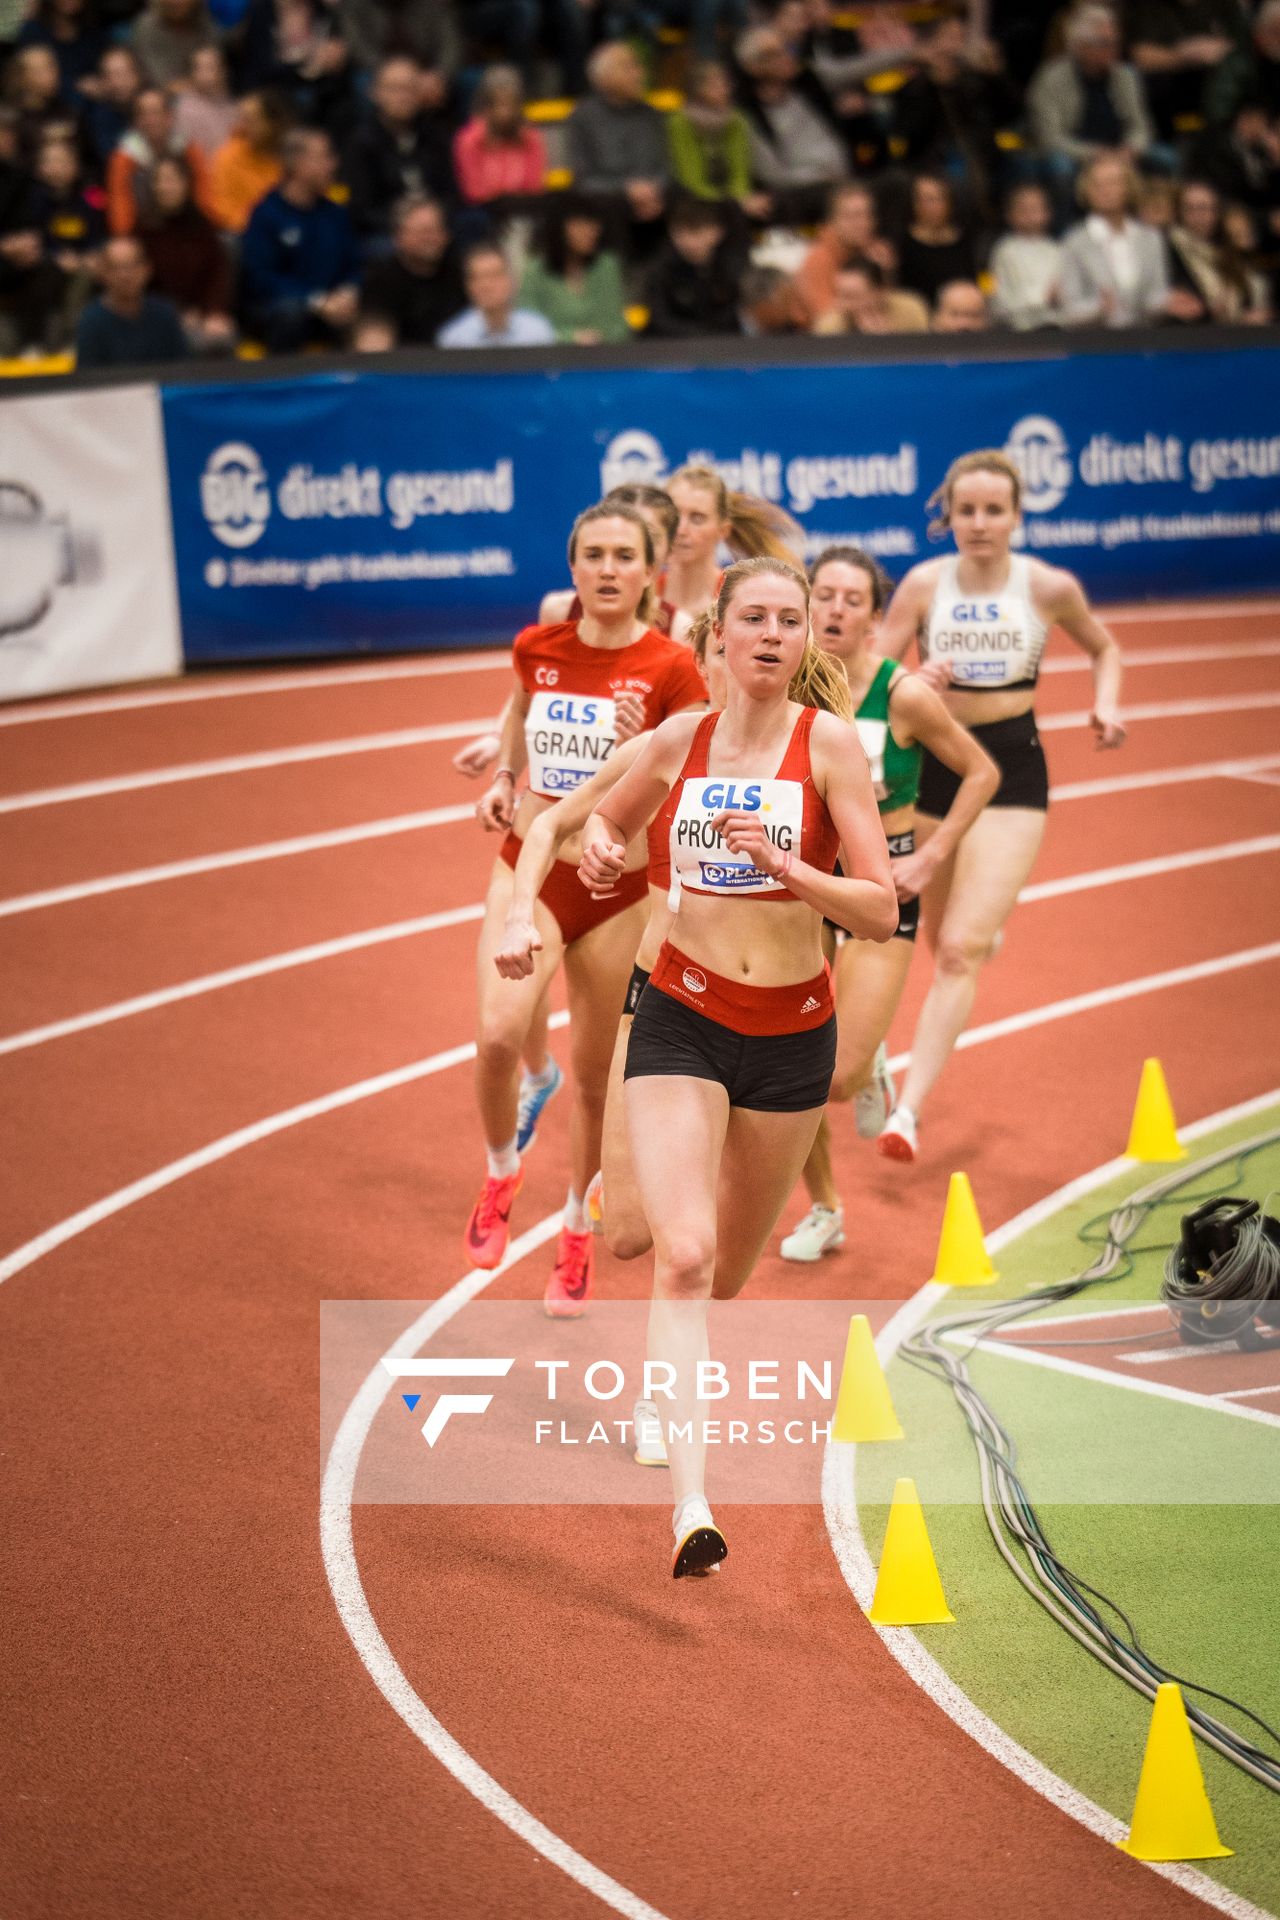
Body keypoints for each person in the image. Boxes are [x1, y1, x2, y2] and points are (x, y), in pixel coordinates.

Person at [577, 557, 898, 1573]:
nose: (769, 634)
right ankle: (691, 1511)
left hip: (794, 1034)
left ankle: (656, 1334)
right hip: (684, 1014)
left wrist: (788, 867)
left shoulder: (830, 747)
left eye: (787, 621)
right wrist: (593, 846)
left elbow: (881, 911)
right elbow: (605, 819)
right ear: (716, 633)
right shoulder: (679, 741)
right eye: (751, 618)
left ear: (806, 640)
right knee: (677, 1253)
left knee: (720, 1274)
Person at [467, 502, 707, 1315]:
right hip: (531, 865)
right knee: (499, 1036)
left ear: (650, 573)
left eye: (623, 557)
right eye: (593, 556)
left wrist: (634, 749)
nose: (607, 570)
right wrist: (505, 777)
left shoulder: (674, 667)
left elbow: (686, 779)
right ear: (573, 568)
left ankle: (575, 1229)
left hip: (616, 892)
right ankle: (502, 1171)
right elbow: (519, 713)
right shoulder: (538, 645)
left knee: (600, 1082)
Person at [873, 449, 1125, 1162]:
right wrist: (913, 677)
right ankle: (978, 927)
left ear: (1017, 515)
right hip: (934, 766)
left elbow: (1105, 649)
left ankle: (909, 1113)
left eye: (993, 510)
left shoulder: (1046, 585)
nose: (979, 524)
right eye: (966, 510)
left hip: (1013, 769)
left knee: (957, 951)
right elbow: (875, 676)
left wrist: (1105, 706)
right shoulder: (924, 585)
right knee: (936, 928)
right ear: (947, 515)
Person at [780, 547, 998, 1262]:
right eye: (825, 596)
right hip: (804, 886)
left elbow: (981, 770)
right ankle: (826, 1207)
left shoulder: (900, 694)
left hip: (883, 889)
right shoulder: (787, 685)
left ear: (878, 619)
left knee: (838, 1078)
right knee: (796, 1063)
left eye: (852, 600)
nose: (836, 610)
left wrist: (932, 858)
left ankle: (868, 1060)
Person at [1028, 5, 1168, 220]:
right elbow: (1049, 139)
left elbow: (1141, 126)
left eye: (1116, 42)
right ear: (1081, 46)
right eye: (1105, 43)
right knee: (1060, 168)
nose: (1114, 50)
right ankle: (1065, 233)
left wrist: (1131, 149)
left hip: (1121, 149)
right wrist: (1095, 154)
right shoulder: (1051, 78)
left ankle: (1156, 229)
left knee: (1166, 159)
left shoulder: (1125, 75)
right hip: (1076, 153)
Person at [239, 126, 358, 350]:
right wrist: (316, 301)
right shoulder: (266, 214)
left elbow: (353, 264)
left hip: (333, 308)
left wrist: (349, 292)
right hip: (281, 310)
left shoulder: (336, 214)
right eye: (324, 157)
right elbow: (261, 278)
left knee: (375, 308)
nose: (332, 165)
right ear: (297, 164)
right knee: (289, 313)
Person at [664, 461, 803, 622]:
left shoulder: (742, 598)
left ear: (723, 530)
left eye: (697, 518)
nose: (681, 529)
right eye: (673, 515)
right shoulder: (643, 596)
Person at [566, 42, 669, 256]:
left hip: (654, 195)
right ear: (604, 78)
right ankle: (617, 282)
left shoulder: (651, 115)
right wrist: (627, 190)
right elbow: (583, 180)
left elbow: (666, 166)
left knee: (692, 202)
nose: (640, 73)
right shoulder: (583, 118)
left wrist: (654, 190)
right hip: (610, 199)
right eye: (630, 67)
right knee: (606, 206)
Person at [1058, 150, 1180, 326]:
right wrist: (1098, 308)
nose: (1105, 190)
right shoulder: (1074, 243)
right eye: (1097, 184)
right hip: (1096, 343)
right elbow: (1069, 309)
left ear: (1129, 187)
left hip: (1145, 340)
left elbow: (1154, 296)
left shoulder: (1151, 238)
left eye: (1113, 183)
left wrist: (1168, 303)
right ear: (1086, 190)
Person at [343, 56, 455, 242]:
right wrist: (407, 225)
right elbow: (362, 211)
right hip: (389, 233)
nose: (403, 97)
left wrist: (432, 219)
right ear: (374, 93)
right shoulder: (361, 144)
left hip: (435, 226)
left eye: (410, 88)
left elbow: (451, 194)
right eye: (394, 89)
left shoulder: (436, 136)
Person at [139, 150, 235, 351]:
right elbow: (141, 286)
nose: (165, 187)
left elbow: (217, 275)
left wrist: (213, 312)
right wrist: (175, 314)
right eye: (159, 181)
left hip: (204, 315)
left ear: (186, 184)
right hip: (156, 317)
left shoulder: (203, 227)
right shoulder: (142, 232)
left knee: (222, 338)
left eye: (172, 180)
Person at [519, 191, 627, 345]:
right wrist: (571, 338)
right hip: (551, 360)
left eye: (593, 223)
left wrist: (597, 339)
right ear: (559, 227)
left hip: (604, 357)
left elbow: (617, 326)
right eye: (581, 223)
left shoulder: (606, 266)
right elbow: (527, 328)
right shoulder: (535, 272)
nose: (591, 230)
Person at [358, 190, 465, 344]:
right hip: (401, 364)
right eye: (424, 232)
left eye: (437, 230)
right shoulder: (380, 283)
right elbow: (373, 343)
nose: (431, 238)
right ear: (399, 236)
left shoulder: (460, 274)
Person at [1129, 0, 1244, 141]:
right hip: (1171, 102)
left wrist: (1217, 50)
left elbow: (1241, 47)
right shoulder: (1148, 7)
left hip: (1217, 97)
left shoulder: (1224, 5)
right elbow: (1141, 57)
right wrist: (1186, 55)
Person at [106, 86, 212, 236]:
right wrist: (124, 236)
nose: (150, 120)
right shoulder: (124, 157)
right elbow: (120, 202)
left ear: (169, 117)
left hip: (188, 226)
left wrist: (205, 227)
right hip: (143, 231)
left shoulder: (188, 150)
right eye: (143, 114)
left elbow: (204, 192)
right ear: (136, 121)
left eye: (156, 112)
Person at [1164, 176, 1271, 323]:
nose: (1197, 216)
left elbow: (1251, 295)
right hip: (1199, 337)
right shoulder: (1170, 250)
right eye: (1189, 209)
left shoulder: (1228, 248)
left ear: (1217, 212)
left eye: (1203, 208)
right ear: (1179, 212)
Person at [793, 180, 898, 328]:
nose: (863, 223)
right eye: (853, 216)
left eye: (867, 215)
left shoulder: (876, 252)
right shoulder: (817, 259)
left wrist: (885, 273)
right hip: (819, 343)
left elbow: (888, 307)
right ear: (832, 221)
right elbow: (824, 318)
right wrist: (864, 301)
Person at [75, 230, 188, 363]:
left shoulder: (165, 314)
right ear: (103, 273)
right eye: (116, 267)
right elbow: (88, 379)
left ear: (147, 269)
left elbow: (184, 370)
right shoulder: (91, 322)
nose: (125, 275)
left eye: (132, 266)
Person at [643, 192, 743, 340]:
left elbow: (738, 313)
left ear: (717, 232)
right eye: (681, 232)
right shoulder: (661, 270)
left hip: (723, 347)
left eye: (697, 232)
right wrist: (699, 336)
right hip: (671, 348)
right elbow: (659, 319)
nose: (689, 241)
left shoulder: (731, 268)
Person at [451, 63, 545, 211]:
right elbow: (474, 191)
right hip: (484, 209)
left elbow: (535, 186)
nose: (505, 113)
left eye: (511, 105)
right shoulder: (469, 140)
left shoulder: (530, 137)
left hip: (524, 207)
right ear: (487, 107)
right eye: (500, 104)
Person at [666, 58, 753, 207]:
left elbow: (741, 168)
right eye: (715, 85)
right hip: (694, 195)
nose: (724, 89)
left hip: (732, 196)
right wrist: (728, 202)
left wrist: (739, 196)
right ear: (697, 89)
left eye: (725, 84)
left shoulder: (736, 119)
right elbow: (689, 177)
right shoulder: (680, 122)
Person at [436, 239, 554, 347]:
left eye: (494, 275)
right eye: (478, 277)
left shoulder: (537, 331)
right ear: (468, 286)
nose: (486, 285)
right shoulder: (454, 337)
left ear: (512, 281)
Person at [895, 172, 982, 310]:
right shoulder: (899, 243)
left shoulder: (968, 240)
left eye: (934, 199)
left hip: (962, 316)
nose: (927, 206)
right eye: (920, 199)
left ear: (950, 201)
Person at [206, 89, 284, 235]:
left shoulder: (286, 156)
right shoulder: (227, 157)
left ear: (271, 124)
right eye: (242, 119)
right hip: (247, 234)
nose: (243, 126)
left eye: (251, 121)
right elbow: (225, 211)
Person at [989, 181, 1064, 330]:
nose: (1030, 215)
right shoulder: (1003, 252)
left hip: (1058, 328)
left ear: (1048, 213)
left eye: (1036, 208)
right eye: (1023, 209)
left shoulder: (1059, 250)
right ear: (1010, 215)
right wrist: (1043, 297)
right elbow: (997, 300)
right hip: (1018, 331)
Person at [811, 258, 928, 334]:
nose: (840, 304)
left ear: (880, 292)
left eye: (851, 296)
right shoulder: (829, 326)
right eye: (839, 295)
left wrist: (887, 341)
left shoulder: (912, 309)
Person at [130, 0, 219, 91]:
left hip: (207, 95)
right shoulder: (147, 27)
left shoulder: (204, 23)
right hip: (159, 96)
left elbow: (217, 74)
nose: (176, 2)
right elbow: (160, 83)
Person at [171, 44, 237, 160]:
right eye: (199, 68)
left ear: (223, 71)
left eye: (211, 67)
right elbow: (185, 154)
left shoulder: (234, 104)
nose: (205, 74)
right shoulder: (184, 108)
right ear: (191, 73)